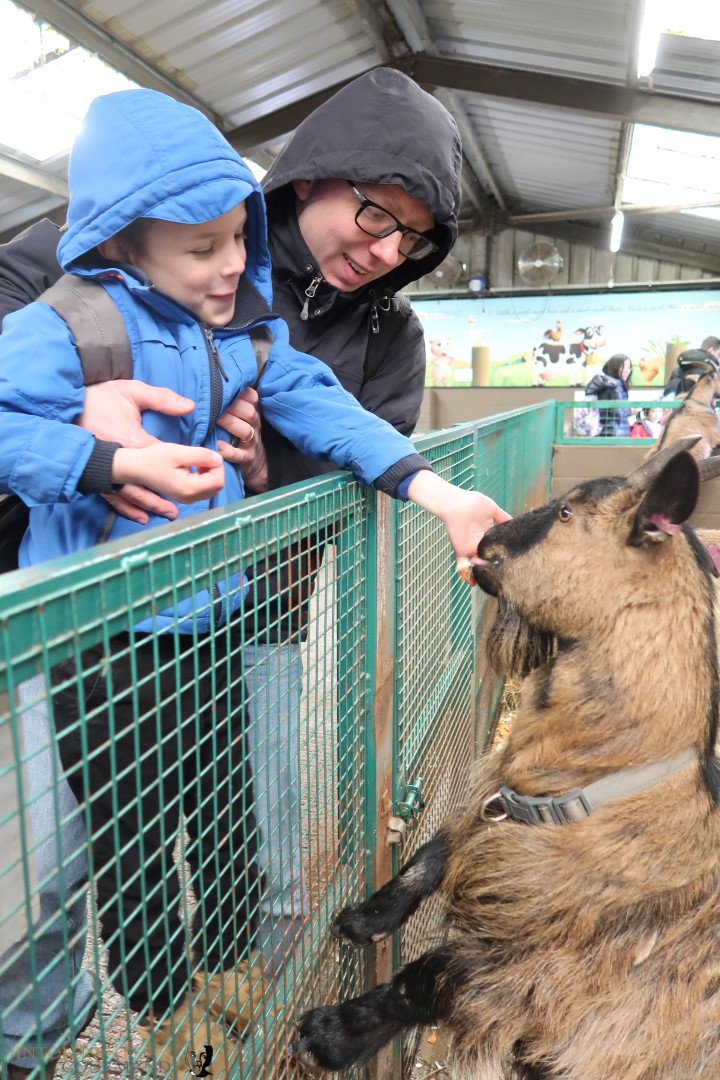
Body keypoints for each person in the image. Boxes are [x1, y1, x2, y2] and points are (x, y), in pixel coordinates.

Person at [0, 87, 507, 1077]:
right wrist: (96, 456)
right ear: (121, 243)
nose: (236, 265)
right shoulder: (65, 322)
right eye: (207, 249)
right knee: (127, 840)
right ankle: (144, 1010)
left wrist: (432, 489)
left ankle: (233, 981)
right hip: (95, 635)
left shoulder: (235, 327)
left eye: (238, 241)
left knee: (227, 815)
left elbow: (327, 410)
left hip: (221, 622)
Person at [585, 354, 632, 437]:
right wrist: (631, 411)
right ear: (615, 368)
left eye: (629, 367)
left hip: (602, 431)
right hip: (617, 431)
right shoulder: (616, 385)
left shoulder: (604, 384)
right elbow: (619, 411)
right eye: (624, 367)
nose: (627, 371)